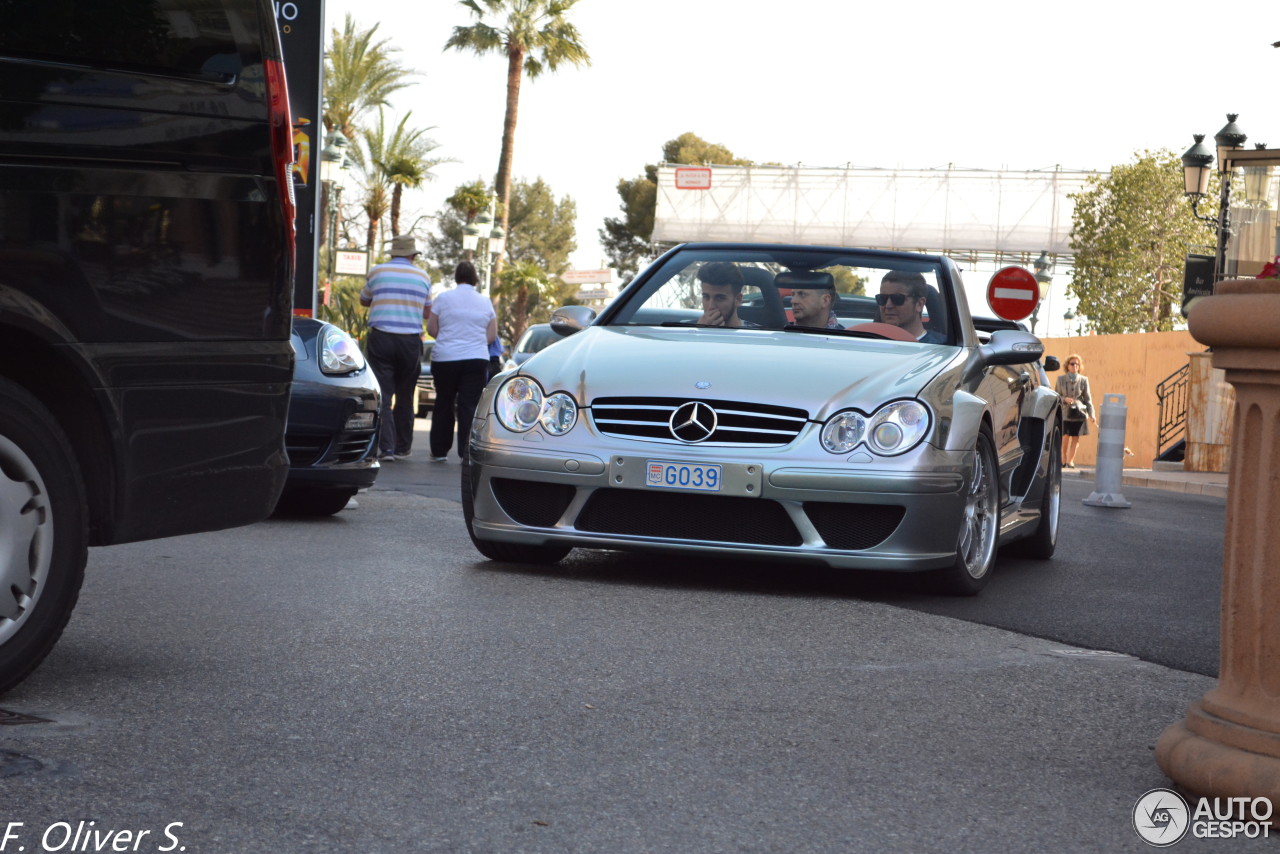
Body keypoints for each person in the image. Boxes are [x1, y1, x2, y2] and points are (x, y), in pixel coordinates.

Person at [361, 234, 433, 461]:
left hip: (382, 338)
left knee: (383, 393)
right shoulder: (423, 277)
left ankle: (387, 448)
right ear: (412, 255)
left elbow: (364, 300)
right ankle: (403, 447)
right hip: (410, 341)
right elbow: (427, 312)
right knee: (405, 394)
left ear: (393, 253)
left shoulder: (377, 272)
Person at [428, 260, 497, 463]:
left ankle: (439, 451)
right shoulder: (485, 302)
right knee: (469, 405)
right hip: (476, 358)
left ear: (456, 276)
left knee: (444, 401)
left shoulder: (443, 298)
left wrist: (450, 339)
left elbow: (432, 329)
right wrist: (472, 343)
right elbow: (491, 336)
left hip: (445, 358)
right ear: (475, 277)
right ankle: (466, 452)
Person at [877, 270, 946, 343]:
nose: (888, 305)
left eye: (897, 298)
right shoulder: (869, 340)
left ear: (919, 304)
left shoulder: (943, 347)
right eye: (882, 298)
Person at [1055, 353, 1096, 468]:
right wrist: (1065, 399)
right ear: (1067, 365)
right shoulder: (1061, 379)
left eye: (1077, 364)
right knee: (1065, 436)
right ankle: (1063, 458)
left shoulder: (1084, 380)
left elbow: (1088, 399)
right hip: (1065, 412)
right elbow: (1056, 396)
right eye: (1072, 364)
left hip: (1079, 412)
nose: (1075, 366)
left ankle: (1070, 461)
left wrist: (1092, 414)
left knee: (1075, 437)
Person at [696, 262, 757, 327]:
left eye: (719, 298)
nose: (711, 306)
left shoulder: (758, 334)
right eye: (706, 297)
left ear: (738, 300)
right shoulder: (688, 329)